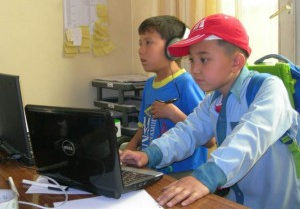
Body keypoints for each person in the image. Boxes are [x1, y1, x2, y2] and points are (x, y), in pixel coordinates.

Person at [120, 13, 300, 209]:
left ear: (236, 63)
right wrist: (149, 154)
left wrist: (206, 177)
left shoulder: (269, 88)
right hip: (234, 201)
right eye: (192, 60)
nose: (194, 69)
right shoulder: (213, 99)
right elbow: (187, 132)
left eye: (204, 60)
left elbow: (250, 135)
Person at [125, 15, 214, 176]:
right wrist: (128, 151)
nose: (140, 50)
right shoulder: (149, 85)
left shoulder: (186, 84)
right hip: (152, 168)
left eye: (148, 42)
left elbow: (209, 140)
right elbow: (143, 127)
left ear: (172, 47)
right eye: (140, 43)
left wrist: (173, 113)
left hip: (184, 173)